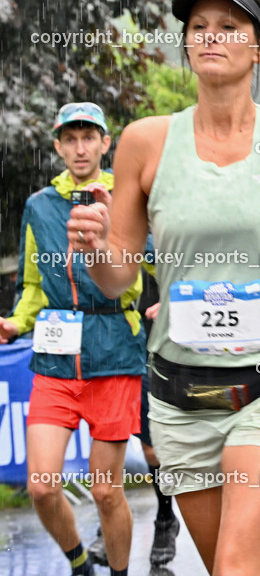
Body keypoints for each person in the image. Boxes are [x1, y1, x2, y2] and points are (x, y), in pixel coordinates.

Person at [68, 0, 260, 575]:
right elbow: (116, 277)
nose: (211, 36)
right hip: (182, 397)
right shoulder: (145, 142)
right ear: (185, 44)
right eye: (198, 27)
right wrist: (94, 246)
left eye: (230, 27)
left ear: (259, 48)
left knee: (235, 566)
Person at [0, 102, 147, 576]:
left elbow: (135, 278)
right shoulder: (39, 206)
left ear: (106, 144)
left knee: (106, 491)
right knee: (42, 486)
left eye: (90, 137)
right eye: (71, 138)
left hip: (113, 351)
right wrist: (16, 323)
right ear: (59, 145)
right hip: (56, 357)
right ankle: (81, 564)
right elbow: (32, 285)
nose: (81, 147)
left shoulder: (124, 198)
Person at [88, 283, 181, 569]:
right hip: (112, 346)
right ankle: (109, 526)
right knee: (109, 440)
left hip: (155, 345)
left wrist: (173, 300)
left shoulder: (156, 247)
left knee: (152, 448)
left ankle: (165, 519)